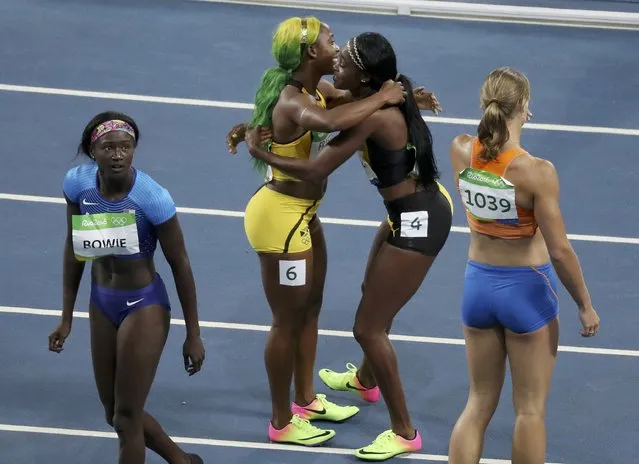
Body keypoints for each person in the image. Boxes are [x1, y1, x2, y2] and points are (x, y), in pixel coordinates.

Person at [245, 32, 453, 461]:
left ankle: (404, 431)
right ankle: (364, 381)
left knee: (367, 327)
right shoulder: (379, 97)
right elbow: (337, 99)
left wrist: (260, 153)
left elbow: (318, 165)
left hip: (419, 220)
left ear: (365, 76)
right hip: (409, 211)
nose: (337, 61)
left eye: (346, 62)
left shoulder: (375, 115)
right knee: (372, 298)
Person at [446, 67, 601, 464]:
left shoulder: (460, 149)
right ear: (524, 109)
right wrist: (584, 303)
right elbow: (561, 251)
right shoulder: (535, 172)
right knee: (529, 411)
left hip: (477, 286)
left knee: (477, 404)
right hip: (527, 292)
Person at [48, 111, 206, 464]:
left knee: (127, 417)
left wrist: (193, 333)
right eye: (109, 147)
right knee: (115, 415)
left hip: (144, 305)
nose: (118, 154)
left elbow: (180, 265)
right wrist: (65, 317)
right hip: (101, 301)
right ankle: (182, 461)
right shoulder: (77, 185)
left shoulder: (153, 199)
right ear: (94, 152)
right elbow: (75, 248)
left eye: (126, 147)